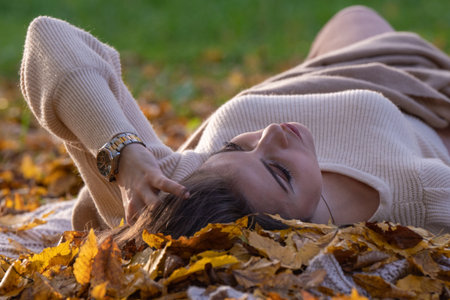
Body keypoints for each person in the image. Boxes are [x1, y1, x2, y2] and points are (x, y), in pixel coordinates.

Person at [20, 5, 450, 242]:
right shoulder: (419, 199)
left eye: (234, 147)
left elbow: (49, 39)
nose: (273, 133)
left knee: (354, 14)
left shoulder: (171, 194)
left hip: (326, 67)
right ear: (296, 236)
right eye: (280, 173)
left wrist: (125, 154)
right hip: (432, 100)